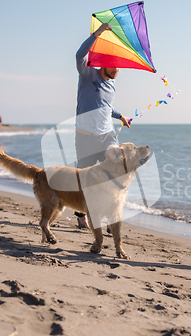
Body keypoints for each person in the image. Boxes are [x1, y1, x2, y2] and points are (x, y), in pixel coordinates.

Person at [74, 22, 132, 228]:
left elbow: (106, 106)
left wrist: (121, 116)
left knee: (114, 172)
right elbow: (79, 56)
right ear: (103, 64)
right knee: (85, 178)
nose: (117, 69)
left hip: (107, 136)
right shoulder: (88, 75)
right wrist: (96, 34)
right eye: (114, 66)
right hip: (86, 137)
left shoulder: (112, 84)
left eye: (118, 67)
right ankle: (81, 214)